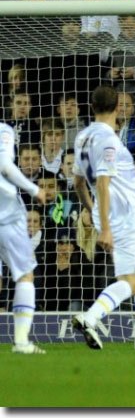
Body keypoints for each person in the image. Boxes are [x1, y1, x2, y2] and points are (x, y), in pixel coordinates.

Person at [71, 85, 135, 350]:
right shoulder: (109, 141)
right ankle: (90, 317)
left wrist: (93, 213)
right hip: (124, 219)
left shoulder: (82, 138)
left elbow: (78, 182)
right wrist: (105, 229)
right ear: (117, 109)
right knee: (132, 282)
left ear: (91, 108)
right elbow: (102, 182)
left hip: (113, 218)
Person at [0, 122, 47, 353]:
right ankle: (21, 342)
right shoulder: (3, 131)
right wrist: (33, 189)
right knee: (25, 274)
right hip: (7, 216)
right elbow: (5, 167)